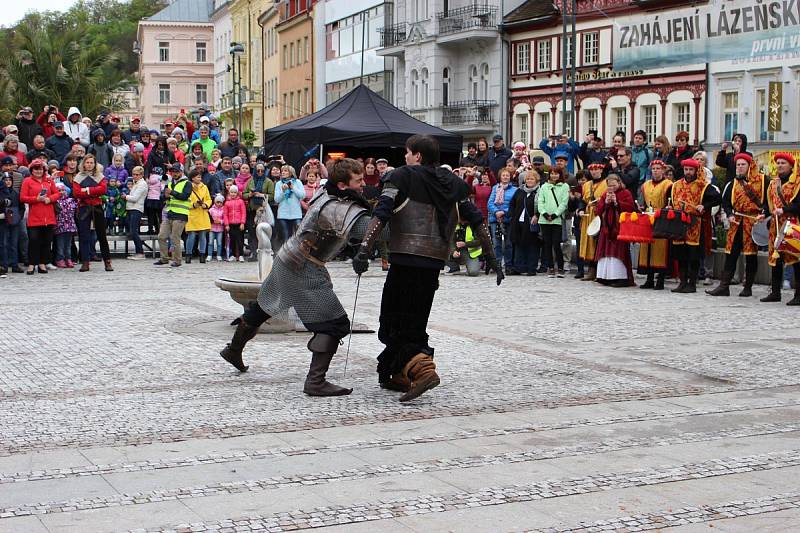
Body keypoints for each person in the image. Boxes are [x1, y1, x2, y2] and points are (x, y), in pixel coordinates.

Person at [352, 135, 502, 402]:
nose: (406, 157)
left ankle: (423, 370)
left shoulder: (402, 176)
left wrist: (364, 249)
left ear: (418, 156)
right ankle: (396, 373)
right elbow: (477, 220)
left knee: (392, 322)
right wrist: (492, 258)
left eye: (408, 153)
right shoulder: (455, 184)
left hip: (405, 260)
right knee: (415, 321)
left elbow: (382, 212)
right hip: (433, 263)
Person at [219, 159, 372, 397]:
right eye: (358, 180)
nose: (363, 184)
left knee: (263, 307)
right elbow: (371, 231)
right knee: (334, 324)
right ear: (342, 185)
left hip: (288, 256)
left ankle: (233, 350)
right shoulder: (336, 207)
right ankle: (315, 381)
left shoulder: (325, 191)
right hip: (304, 266)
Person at [707, 153, 765, 297]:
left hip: (752, 222)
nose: (739, 167)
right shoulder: (732, 184)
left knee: (751, 255)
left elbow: (768, 201)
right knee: (731, 254)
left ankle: (748, 287)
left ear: (749, 166)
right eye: (737, 165)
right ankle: (724, 286)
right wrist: (730, 214)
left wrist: (764, 214)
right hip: (736, 222)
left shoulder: (763, 181)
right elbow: (726, 202)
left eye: (742, 164)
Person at [670, 159, 721, 293]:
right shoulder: (676, 185)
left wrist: (704, 205)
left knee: (693, 255)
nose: (688, 172)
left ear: (696, 171)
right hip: (679, 223)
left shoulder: (703, 185)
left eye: (691, 170)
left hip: (695, 224)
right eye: (686, 169)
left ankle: (692, 283)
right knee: (680, 255)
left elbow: (717, 198)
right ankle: (682, 282)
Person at [760, 152, 800, 305]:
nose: (780, 165)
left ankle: (798, 294)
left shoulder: (797, 183)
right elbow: (767, 203)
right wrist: (764, 213)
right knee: (775, 259)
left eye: (783, 163)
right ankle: (775, 292)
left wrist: (784, 210)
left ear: (791, 165)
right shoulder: (773, 183)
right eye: (778, 163)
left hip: (793, 224)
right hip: (776, 226)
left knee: (796, 259)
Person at [73, 154, 113, 272]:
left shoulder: (99, 176)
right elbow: (76, 193)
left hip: (97, 207)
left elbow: (103, 189)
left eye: (91, 163)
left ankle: (107, 262)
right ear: (83, 164)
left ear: (95, 164)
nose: (89, 165)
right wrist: (94, 191)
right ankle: (85, 262)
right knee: (84, 236)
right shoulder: (78, 177)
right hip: (84, 208)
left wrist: (87, 190)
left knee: (102, 236)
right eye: (87, 162)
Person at [594, 174, 636, 287]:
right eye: (609, 185)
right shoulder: (604, 194)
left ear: (619, 183)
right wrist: (606, 203)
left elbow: (631, 208)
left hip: (620, 227)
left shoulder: (626, 193)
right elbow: (597, 211)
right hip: (607, 227)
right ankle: (605, 276)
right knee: (605, 251)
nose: (611, 188)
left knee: (618, 251)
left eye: (614, 185)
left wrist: (617, 202)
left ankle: (621, 277)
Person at [20, 161, 60, 274]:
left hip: (48, 216)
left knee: (46, 241)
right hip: (34, 216)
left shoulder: (49, 180)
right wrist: (36, 199)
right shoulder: (27, 181)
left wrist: (50, 199)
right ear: (31, 170)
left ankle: (43, 263)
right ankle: (32, 264)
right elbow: (23, 197)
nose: (38, 171)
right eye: (36, 169)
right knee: (33, 241)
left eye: (40, 169)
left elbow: (57, 194)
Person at [638, 160, 672, 290]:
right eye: (654, 169)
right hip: (649, 216)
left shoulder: (668, 185)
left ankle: (661, 279)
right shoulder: (646, 185)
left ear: (663, 171)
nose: (656, 171)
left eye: (658, 168)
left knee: (660, 247)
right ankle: (649, 278)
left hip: (661, 216)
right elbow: (644, 202)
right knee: (648, 247)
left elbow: (670, 202)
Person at [154, 164, 192, 267]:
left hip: (180, 214)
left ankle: (177, 260)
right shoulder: (169, 183)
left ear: (181, 172)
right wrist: (164, 196)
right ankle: (164, 258)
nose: (174, 173)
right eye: (173, 171)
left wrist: (172, 193)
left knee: (175, 238)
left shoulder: (187, 183)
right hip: (169, 212)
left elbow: (185, 196)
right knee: (161, 236)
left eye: (176, 171)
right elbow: (163, 196)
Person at [577, 163, 608, 281]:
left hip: (600, 215)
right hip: (588, 215)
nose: (594, 172)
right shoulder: (586, 185)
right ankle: (591, 270)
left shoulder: (606, 183)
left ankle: (597, 270)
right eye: (592, 170)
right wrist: (580, 209)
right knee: (589, 243)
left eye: (597, 169)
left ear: (601, 170)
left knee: (597, 243)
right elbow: (583, 200)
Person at [537, 166, 570, 277]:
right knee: (547, 244)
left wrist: (556, 214)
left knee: (556, 243)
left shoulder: (565, 186)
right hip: (544, 220)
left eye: (556, 173)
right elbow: (540, 201)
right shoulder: (544, 186)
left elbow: (564, 203)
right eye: (552, 173)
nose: (554, 175)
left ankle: (560, 267)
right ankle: (550, 267)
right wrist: (545, 214)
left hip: (557, 219)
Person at [509, 171, 541, 276]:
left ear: (536, 180)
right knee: (519, 244)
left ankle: (531, 268)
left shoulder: (539, 192)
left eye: (532, 179)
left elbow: (541, 205)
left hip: (531, 222)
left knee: (532, 245)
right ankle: (519, 267)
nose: (529, 181)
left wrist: (537, 215)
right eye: (528, 179)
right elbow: (512, 204)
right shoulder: (520, 191)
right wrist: (512, 215)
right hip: (518, 222)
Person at [487, 168, 517, 273]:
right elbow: (490, 203)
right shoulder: (495, 188)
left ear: (510, 177)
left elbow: (514, 205)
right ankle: (497, 264)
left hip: (508, 219)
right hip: (496, 220)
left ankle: (508, 264)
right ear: (500, 177)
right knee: (496, 243)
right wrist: (496, 212)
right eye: (503, 175)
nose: (505, 177)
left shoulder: (514, 190)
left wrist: (504, 212)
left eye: (507, 175)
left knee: (508, 243)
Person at [243, 162, 274, 260]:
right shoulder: (250, 181)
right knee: (252, 232)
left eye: (262, 170)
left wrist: (261, 195)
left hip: (263, 210)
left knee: (263, 232)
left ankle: (265, 252)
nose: (260, 172)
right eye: (258, 170)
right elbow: (244, 194)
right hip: (252, 210)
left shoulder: (268, 181)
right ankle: (254, 252)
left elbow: (272, 196)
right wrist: (250, 195)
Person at [185, 169, 212, 264]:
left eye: (200, 177)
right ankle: (188, 255)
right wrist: (193, 205)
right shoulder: (188, 187)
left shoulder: (204, 187)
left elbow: (209, 199)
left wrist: (206, 204)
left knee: (203, 235)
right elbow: (185, 200)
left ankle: (202, 255)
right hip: (192, 214)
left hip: (202, 213)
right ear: (192, 178)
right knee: (191, 236)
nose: (200, 178)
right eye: (198, 177)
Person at [274, 165, 305, 244]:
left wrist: (293, 188)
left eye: (285, 171)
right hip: (283, 214)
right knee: (286, 237)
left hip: (296, 214)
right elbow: (277, 199)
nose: (283, 173)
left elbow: (302, 196)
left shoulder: (298, 182)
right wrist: (283, 191)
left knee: (297, 237)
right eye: (282, 171)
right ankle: (285, 254)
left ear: (291, 172)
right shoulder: (278, 184)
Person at [0, 172, 22, 275]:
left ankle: (14, 264)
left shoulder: (16, 193)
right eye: (6, 180)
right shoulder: (1, 193)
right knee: (3, 244)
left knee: (14, 243)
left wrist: (19, 217)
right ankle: (4, 265)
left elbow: (21, 207)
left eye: (9, 180)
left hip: (14, 221)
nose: (8, 182)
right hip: (3, 221)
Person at [53, 183, 77, 268]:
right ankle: (60, 259)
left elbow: (75, 209)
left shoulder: (70, 200)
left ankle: (68, 258)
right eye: (59, 191)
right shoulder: (55, 202)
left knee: (68, 244)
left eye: (63, 190)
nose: (61, 192)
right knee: (60, 245)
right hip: (60, 225)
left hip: (70, 225)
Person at [125, 166, 147, 260]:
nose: (134, 176)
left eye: (137, 174)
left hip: (136, 209)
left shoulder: (142, 184)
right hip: (131, 209)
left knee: (134, 231)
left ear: (141, 175)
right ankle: (138, 252)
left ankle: (140, 252)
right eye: (133, 174)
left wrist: (125, 197)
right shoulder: (136, 183)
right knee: (132, 231)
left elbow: (135, 198)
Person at [223, 184, 247, 262]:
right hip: (231, 224)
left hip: (239, 223)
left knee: (240, 240)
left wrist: (242, 223)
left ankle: (240, 255)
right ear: (229, 193)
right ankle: (233, 254)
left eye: (234, 192)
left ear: (237, 193)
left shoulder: (241, 202)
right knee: (232, 240)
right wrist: (226, 224)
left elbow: (243, 213)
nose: (233, 194)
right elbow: (225, 214)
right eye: (231, 192)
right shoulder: (227, 203)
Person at [207, 194, 226, 261]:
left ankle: (219, 255)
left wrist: (220, 221)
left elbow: (225, 219)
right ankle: (209, 255)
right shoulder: (211, 210)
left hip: (220, 229)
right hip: (212, 228)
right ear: (215, 202)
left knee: (219, 243)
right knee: (210, 242)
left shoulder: (223, 210)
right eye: (217, 202)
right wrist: (212, 221)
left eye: (220, 202)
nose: (219, 204)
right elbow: (208, 217)